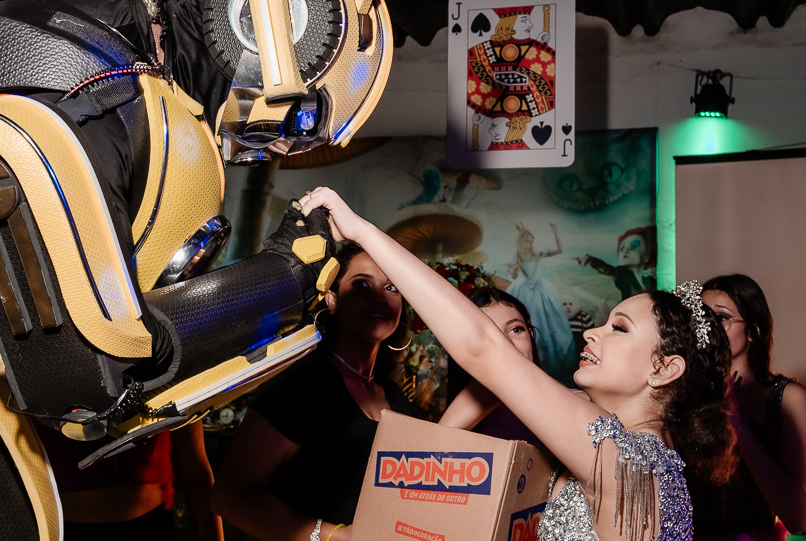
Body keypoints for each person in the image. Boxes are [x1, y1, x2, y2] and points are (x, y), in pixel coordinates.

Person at [299, 187, 737, 541]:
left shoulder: (623, 456)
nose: (592, 332)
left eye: (619, 328)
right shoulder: (645, 453)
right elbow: (446, 435)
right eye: (603, 321)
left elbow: (483, 349)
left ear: (664, 370)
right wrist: (504, 373)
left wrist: (362, 232)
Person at [212, 243, 413, 541]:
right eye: (362, 284)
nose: (379, 297)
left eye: (392, 287)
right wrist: (334, 537)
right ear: (332, 298)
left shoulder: (395, 397)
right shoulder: (303, 383)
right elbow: (229, 497)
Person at [687, 274, 806, 539]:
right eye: (701, 317)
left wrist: (737, 423)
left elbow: (798, 518)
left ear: (753, 331)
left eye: (721, 318)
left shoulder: (787, 398)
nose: (708, 328)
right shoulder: (685, 395)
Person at [36, 420, 223, 540]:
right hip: (62, 529)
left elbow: (195, 470)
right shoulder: (34, 376)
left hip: (150, 527)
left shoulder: (169, 369)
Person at [440, 288, 545, 450]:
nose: (506, 343)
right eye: (487, 336)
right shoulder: (463, 415)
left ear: (531, 337)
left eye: (515, 329)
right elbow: (430, 455)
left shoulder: (569, 404)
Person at [507, 223, 577, 383]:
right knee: (527, 322)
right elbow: (515, 273)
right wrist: (511, 269)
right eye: (529, 235)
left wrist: (555, 233)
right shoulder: (518, 255)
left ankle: (551, 365)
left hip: (541, 289)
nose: (533, 237)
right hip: (523, 289)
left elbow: (559, 250)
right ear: (524, 238)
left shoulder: (536, 253)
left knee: (548, 324)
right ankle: (532, 365)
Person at [575, 227, 657, 300]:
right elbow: (608, 270)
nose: (625, 251)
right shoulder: (623, 275)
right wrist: (590, 259)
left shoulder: (651, 281)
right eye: (622, 248)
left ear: (646, 257)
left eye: (633, 247)